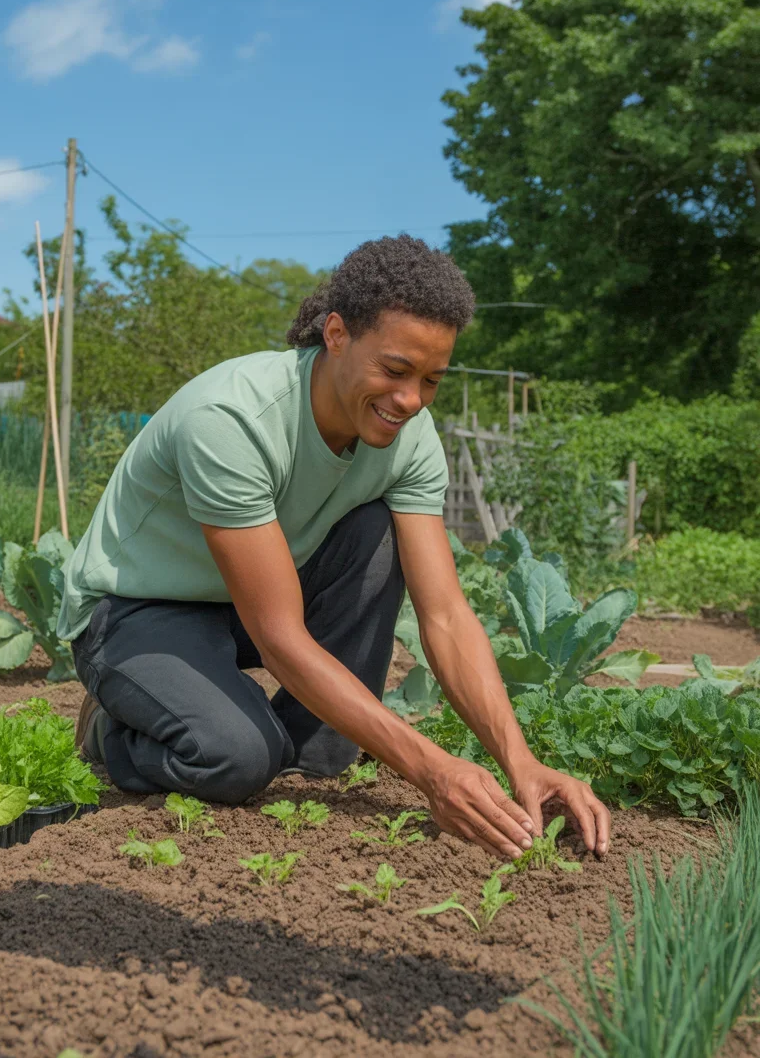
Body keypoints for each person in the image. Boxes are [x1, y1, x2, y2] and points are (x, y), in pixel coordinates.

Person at [57, 235, 610, 862]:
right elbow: (281, 640)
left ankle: (302, 758)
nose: (410, 400)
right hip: (136, 612)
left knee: (376, 537)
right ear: (338, 334)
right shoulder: (233, 419)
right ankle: (111, 732)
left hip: (241, 599)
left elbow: (447, 615)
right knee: (233, 757)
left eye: (431, 379)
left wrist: (521, 762)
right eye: (395, 370)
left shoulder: (411, 434)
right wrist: (433, 770)